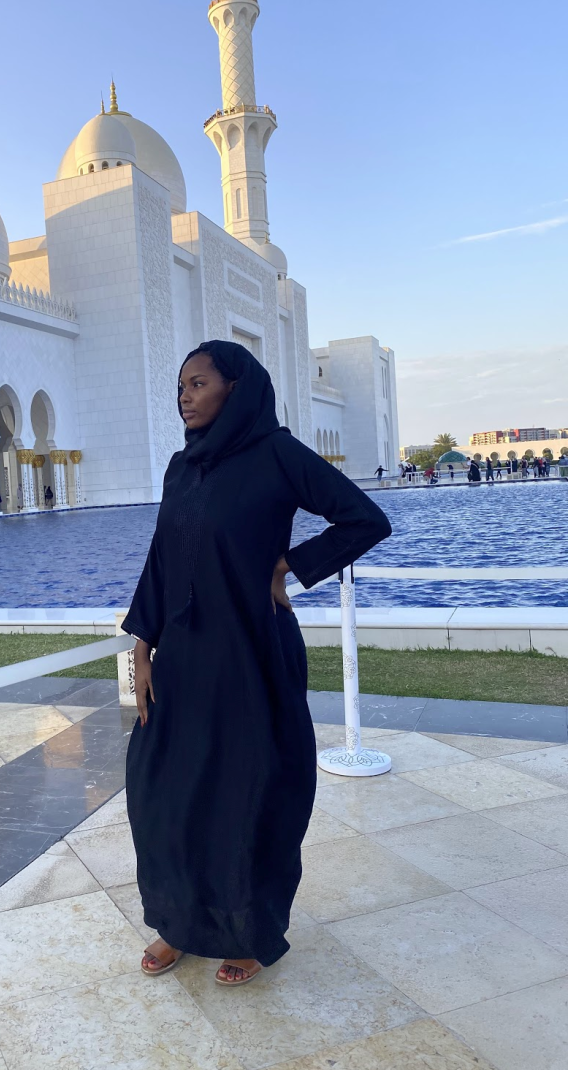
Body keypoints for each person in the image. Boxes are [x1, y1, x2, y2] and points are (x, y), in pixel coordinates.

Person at [123, 340, 391, 987]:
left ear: (236, 389)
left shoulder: (277, 453)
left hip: (250, 650)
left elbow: (364, 517)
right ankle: (178, 921)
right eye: (180, 384)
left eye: (198, 382)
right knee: (163, 789)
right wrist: (142, 645)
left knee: (248, 792)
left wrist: (291, 566)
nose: (184, 395)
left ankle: (248, 928)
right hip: (184, 656)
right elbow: (162, 561)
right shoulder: (182, 468)